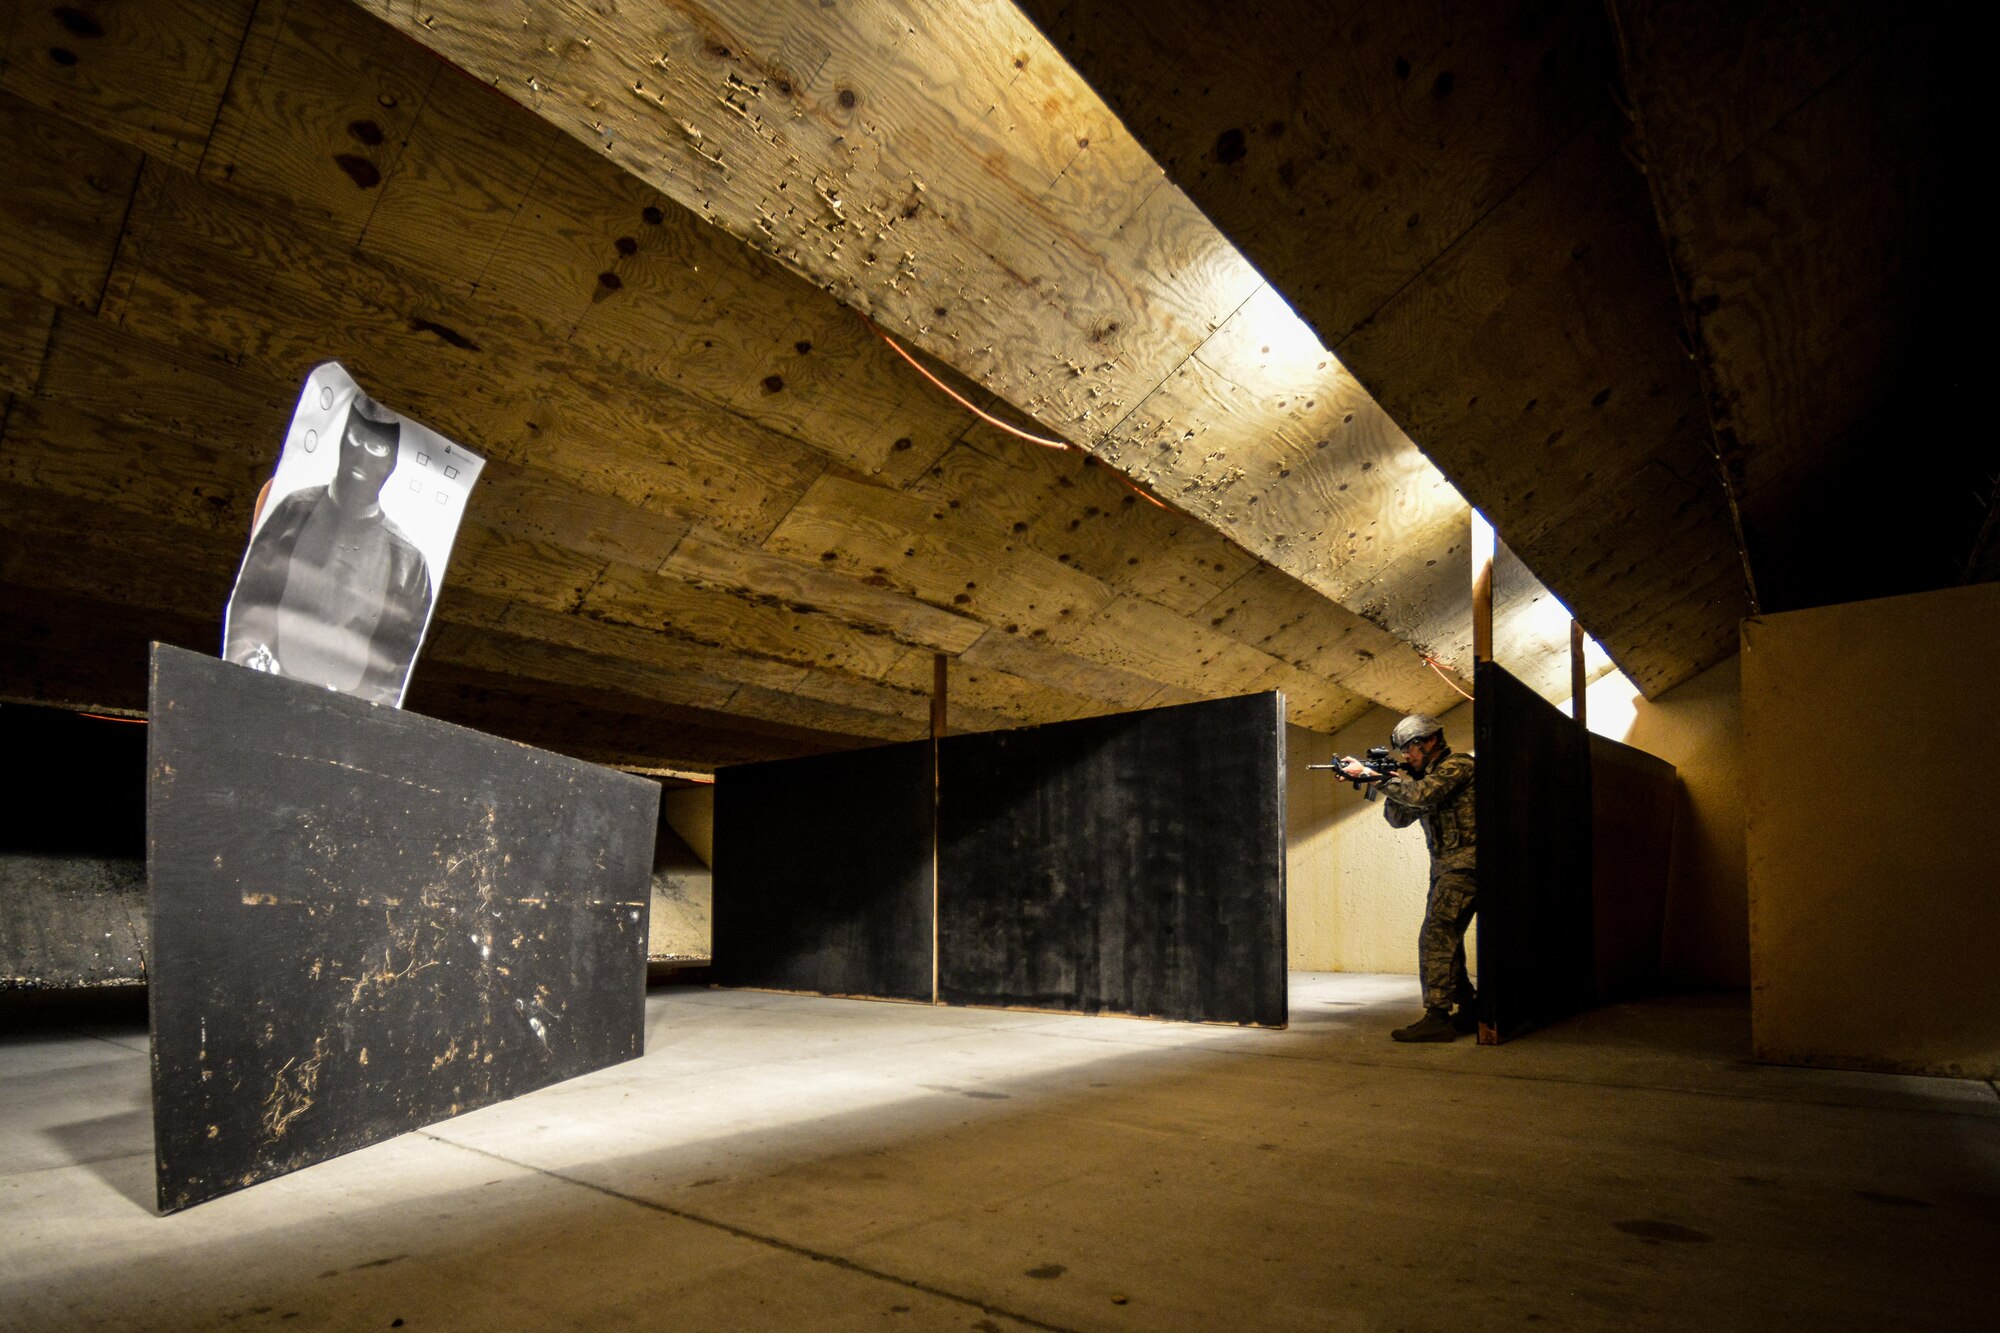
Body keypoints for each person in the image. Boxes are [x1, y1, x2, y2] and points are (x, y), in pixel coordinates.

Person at [224, 394, 433, 705]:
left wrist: (370, 715)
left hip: (348, 717)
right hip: (269, 695)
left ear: (390, 463)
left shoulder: (409, 561)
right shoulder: (294, 511)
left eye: (377, 447)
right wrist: (248, 666)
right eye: (356, 438)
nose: (362, 457)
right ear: (342, 442)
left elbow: (396, 663)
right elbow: (250, 604)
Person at [1338, 713, 1477, 1042]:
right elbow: (1399, 817)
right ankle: (1469, 1007)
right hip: (1446, 866)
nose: (1406, 756)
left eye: (1410, 749)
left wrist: (1378, 777)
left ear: (1430, 741)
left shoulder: (1459, 766)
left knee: (1436, 935)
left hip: (1467, 865)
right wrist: (1388, 777)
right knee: (1447, 939)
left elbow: (1425, 794)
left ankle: (1438, 1015)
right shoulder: (1423, 776)